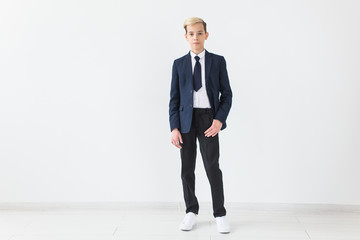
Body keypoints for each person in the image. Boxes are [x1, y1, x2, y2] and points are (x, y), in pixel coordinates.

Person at [169, 17, 233, 233]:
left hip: (208, 119)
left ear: (206, 35)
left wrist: (219, 119)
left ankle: (220, 214)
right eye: (191, 34)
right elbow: (174, 99)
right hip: (186, 120)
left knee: (212, 167)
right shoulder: (178, 64)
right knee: (187, 168)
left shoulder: (218, 61)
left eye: (199, 33)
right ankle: (190, 211)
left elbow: (227, 94)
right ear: (186, 37)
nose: (195, 37)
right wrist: (174, 127)